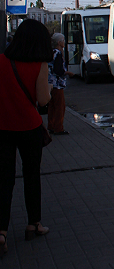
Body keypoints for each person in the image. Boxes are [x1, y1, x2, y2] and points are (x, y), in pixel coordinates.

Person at [0, 19, 54, 254]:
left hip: (3, 128)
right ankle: (34, 224)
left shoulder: (1, 61)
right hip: (29, 128)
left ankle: (1, 232)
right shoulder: (39, 65)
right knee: (32, 176)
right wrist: (48, 90)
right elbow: (42, 101)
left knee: (4, 180)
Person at [47, 33, 74, 135]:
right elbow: (58, 70)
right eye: (63, 40)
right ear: (59, 42)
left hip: (50, 83)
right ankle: (58, 128)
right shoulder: (58, 53)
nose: (64, 42)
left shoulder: (51, 52)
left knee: (52, 106)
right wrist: (68, 73)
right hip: (57, 84)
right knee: (59, 106)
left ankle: (51, 125)